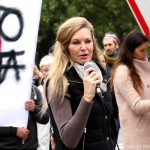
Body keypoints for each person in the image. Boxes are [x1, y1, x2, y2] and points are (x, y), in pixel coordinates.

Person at [42, 16, 115, 150]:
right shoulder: (59, 81)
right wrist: (87, 98)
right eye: (76, 42)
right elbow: (69, 139)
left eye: (88, 41)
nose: (84, 48)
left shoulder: (102, 74)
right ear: (65, 47)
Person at [111, 30, 150, 150]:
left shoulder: (146, 65)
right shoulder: (122, 72)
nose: (145, 53)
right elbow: (136, 105)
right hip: (137, 137)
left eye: (146, 49)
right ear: (130, 51)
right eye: (141, 50)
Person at [0, 84, 49, 150]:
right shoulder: (3, 89)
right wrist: (14, 131)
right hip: (6, 146)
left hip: (30, 146)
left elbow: (45, 119)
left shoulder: (33, 90)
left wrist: (34, 109)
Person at [37, 55, 53, 150]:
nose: (49, 73)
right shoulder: (37, 91)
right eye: (46, 70)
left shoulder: (64, 89)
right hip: (41, 134)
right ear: (41, 71)